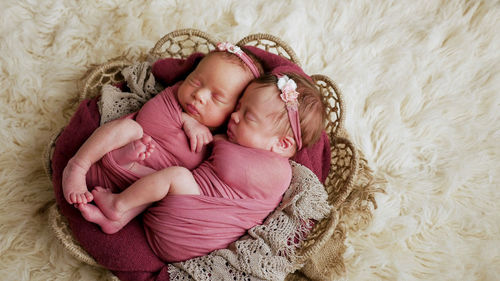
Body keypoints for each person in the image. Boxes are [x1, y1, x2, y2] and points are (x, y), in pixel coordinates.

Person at [76, 72, 327, 262]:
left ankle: (118, 204)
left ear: (282, 144)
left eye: (248, 116)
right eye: (238, 107)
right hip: (184, 216)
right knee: (160, 185)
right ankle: (117, 220)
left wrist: (217, 139)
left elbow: (227, 163)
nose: (234, 116)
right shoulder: (254, 148)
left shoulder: (278, 170)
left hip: (194, 234)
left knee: (176, 176)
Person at [62, 42, 263, 205]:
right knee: (130, 128)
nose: (199, 95)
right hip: (102, 161)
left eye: (217, 97)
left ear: (235, 110)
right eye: (195, 81)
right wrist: (187, 120)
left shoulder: (224, 139)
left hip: (134, 189)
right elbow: (149, 120)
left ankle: (117, 212)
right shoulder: (175, 96)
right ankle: (77, 166)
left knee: (169, 185)